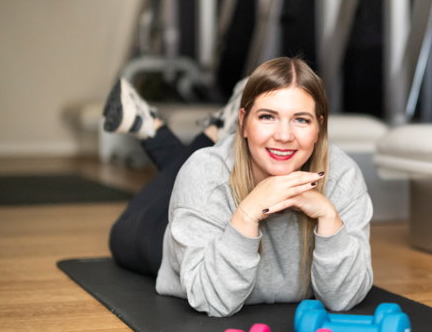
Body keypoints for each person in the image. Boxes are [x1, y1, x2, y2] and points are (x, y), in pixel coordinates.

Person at [103, 58, 373, 317]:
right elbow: (213, 299)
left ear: (319, 127)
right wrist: (248, 213)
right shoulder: (206, 173)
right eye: (267, 116)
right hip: (173, 230)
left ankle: (207, 129)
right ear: (243, 122)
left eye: (301, 120)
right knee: (120, 237)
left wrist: (329, 218)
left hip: (226, 163)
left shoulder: (342, 176)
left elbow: (344, 298)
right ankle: (163, 128)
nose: (284, 135)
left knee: (213, 159)